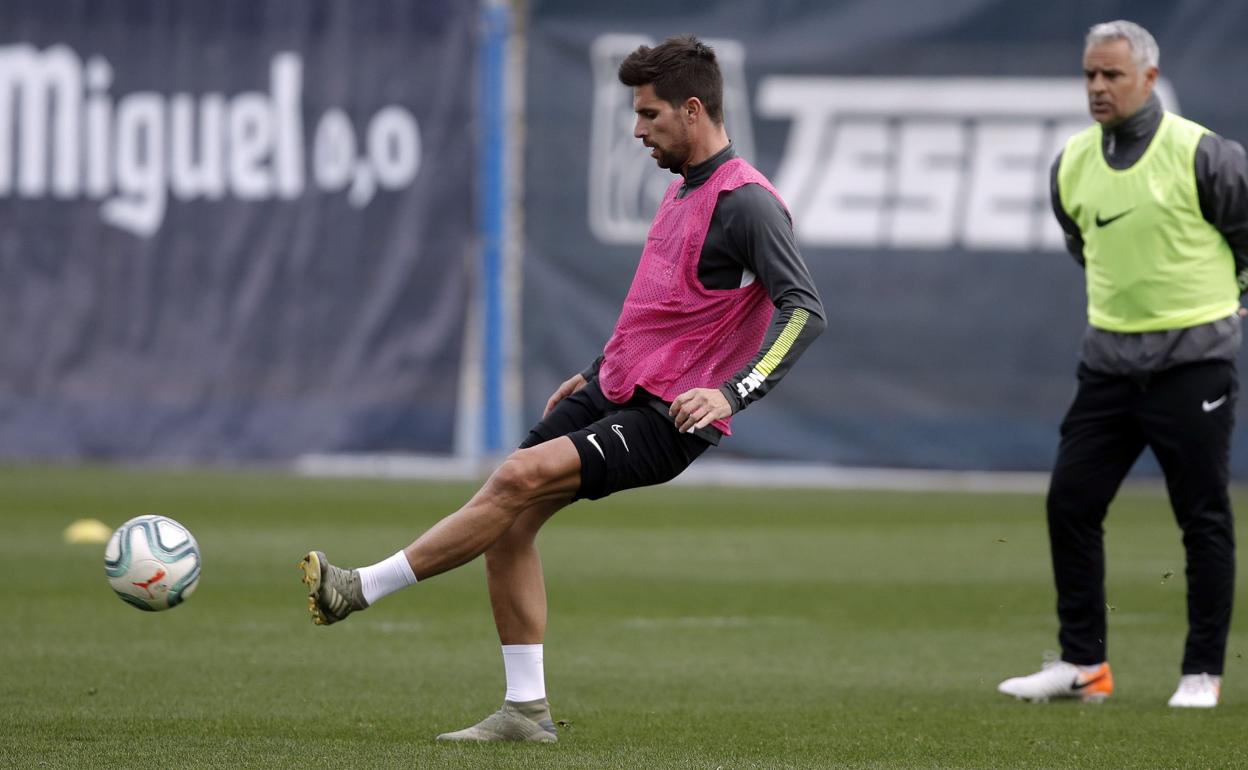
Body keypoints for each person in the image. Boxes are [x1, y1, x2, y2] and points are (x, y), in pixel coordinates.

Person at [299, 34, 825, 741]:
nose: (637, 131)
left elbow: (806, 311)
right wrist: (594, 367)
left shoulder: (749, 205)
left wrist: (732, 393)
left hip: (670, 417)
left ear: (693, 110)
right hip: (615, 387)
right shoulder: (682, 190)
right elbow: (663, 307)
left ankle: (358, 588)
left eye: (649, 115)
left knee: (515, 479)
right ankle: (525, 711)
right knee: (507, 522)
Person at [998, 20, 1248, 709]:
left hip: (1193, 363)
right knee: (1070, 505)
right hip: (1108, 367)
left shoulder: (1204, 154)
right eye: (1089, 75)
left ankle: (1201, 673)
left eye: (1111, 75)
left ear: (1149, 78)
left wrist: (1236, 298)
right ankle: (1085, 666)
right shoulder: (1072, 162)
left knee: (1201, 517)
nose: (1098, 87)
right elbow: (1087, 246)